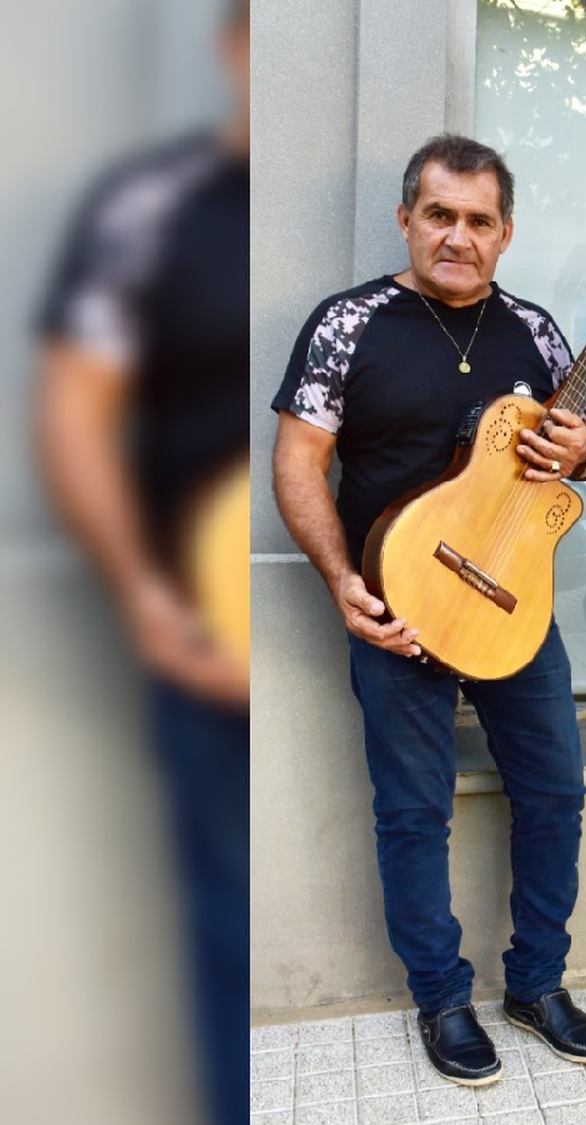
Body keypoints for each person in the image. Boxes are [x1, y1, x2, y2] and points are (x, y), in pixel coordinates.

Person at [271, 133, 586, 1086]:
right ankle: (442, 997)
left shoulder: (537, 332)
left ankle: (538, 982)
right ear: (406, 218)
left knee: (555, 794)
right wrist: (341, 578)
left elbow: (584, 447)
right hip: (398, 614)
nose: (457, 236)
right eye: (439, 215)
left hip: (514, 605)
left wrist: (583, 447)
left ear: (505, 233)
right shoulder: (349, 323)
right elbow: (299, 464)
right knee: (414, 810)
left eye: (478, 220)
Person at [33, 4, 250, 1123]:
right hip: (185, 632)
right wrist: (144, 597)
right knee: (216, 918)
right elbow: (73, 412)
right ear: (234, 51)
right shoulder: (150, 207)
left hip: (321, 627)